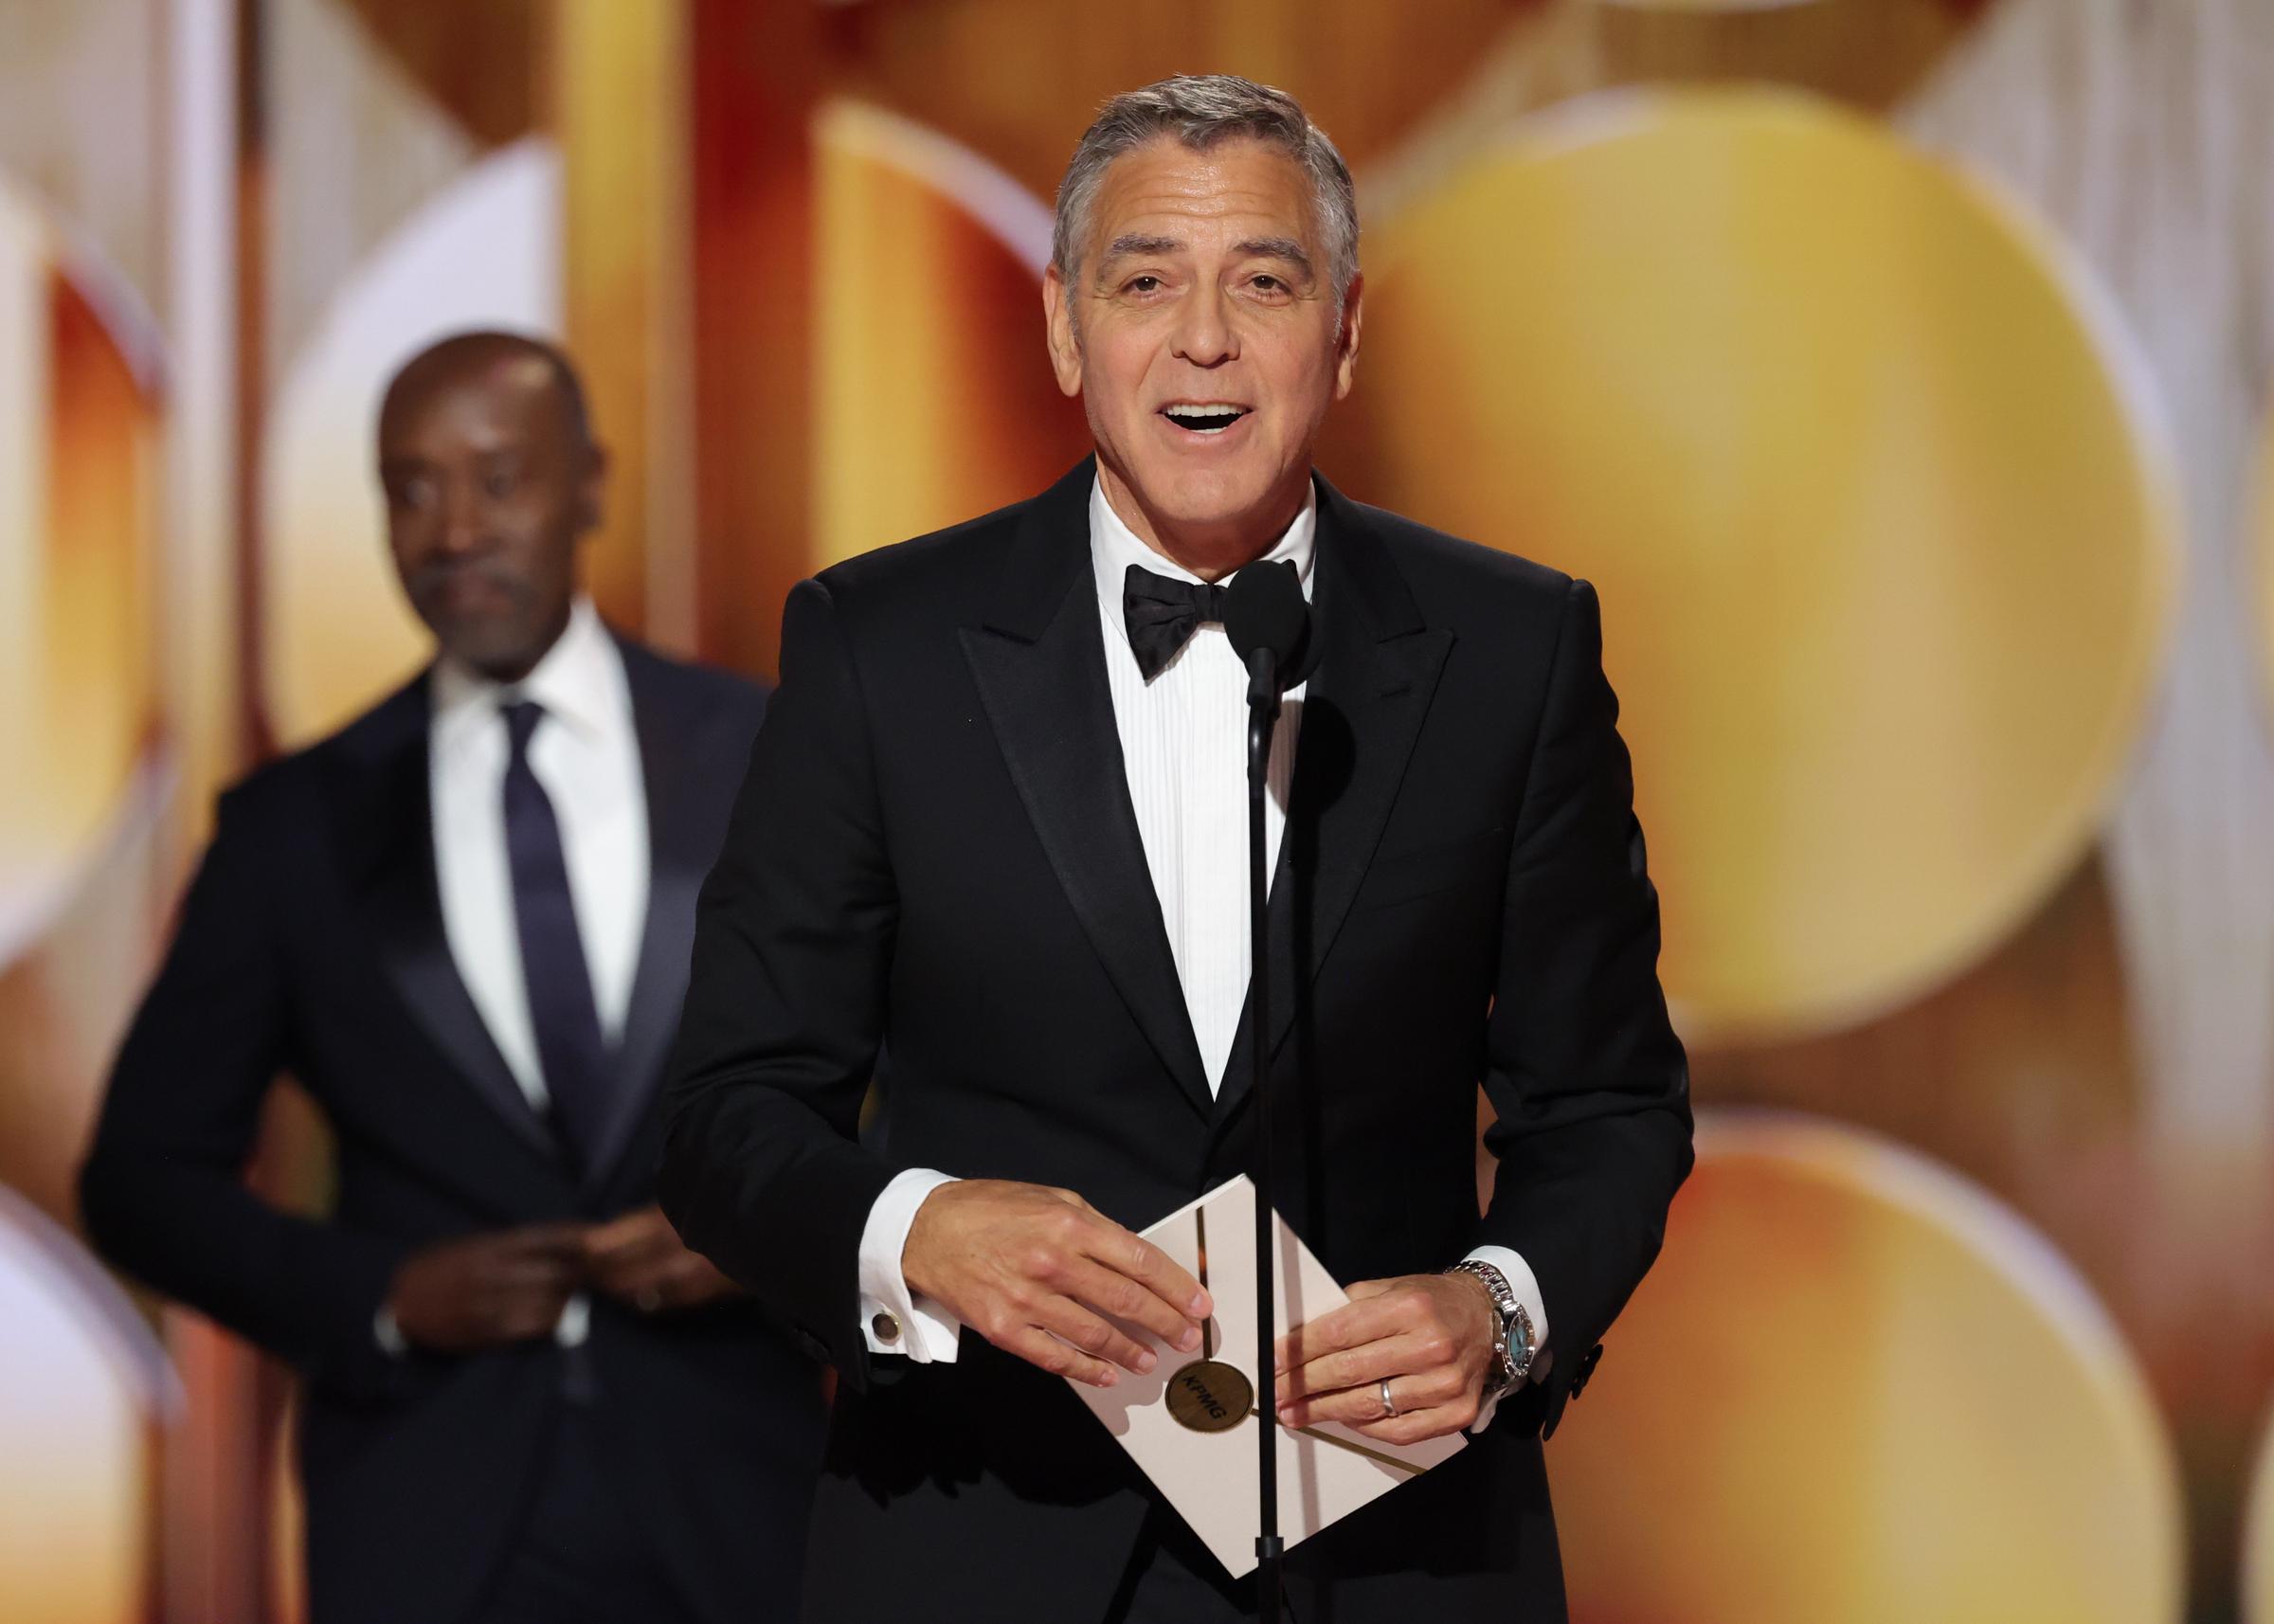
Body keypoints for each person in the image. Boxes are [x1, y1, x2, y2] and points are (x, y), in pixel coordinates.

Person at [660, 76, 1692, 1624]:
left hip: (1393, 1555)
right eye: (1146, 282)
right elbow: (728, 1112)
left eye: (1262, 284)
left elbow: (1608, 1105)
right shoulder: (881, 645)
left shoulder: (1511, 648)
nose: (1203, 339)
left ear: (1342, 333)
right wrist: (919, 1232)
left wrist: (1504, 1305)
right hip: (983, 1543)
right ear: (1068, 329)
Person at [80, 333, 822, 1624]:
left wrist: (786, 1231)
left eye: (497, 477)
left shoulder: (773, 751)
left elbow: (932, 1073)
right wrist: (378, 1294)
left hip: (745, 1508)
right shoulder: (293, 827)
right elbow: (139, 1180)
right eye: (411, 488)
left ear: (588, 483)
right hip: (426, 1524)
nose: (455, 527)